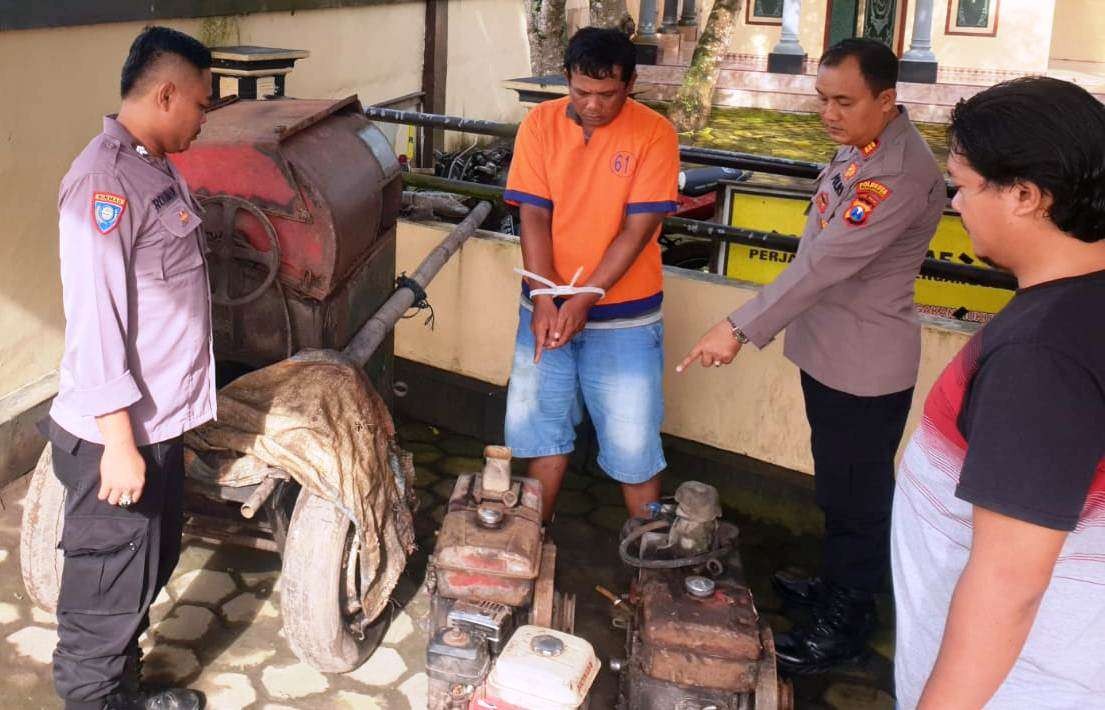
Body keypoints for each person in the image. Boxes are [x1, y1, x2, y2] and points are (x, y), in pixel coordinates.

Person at [676, 38, 945, 673]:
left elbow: (825, 264)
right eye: (822, 99)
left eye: (843, 102)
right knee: (837, 488)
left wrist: (737, 328)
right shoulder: (863, 147)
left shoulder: (900, 171)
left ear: (887, 99)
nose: (828, 114)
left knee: (857, 500)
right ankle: (833, 589)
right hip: (831, 352)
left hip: (864, 364)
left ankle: (847, 625)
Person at [892, 77, 1105, 709]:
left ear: (1025, 196)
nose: (955, 204)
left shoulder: (1042, 356)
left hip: (1010, 685)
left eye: (962, 184)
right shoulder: (1078, 307)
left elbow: (1010, 583)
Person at [43, 26, 215, 710]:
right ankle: (96, 697)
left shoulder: (151, 162)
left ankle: (126, 693)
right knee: (103, 597)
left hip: (158, 425)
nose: (204, 117)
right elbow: (95, 323)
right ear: (167, 92)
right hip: (116, 439)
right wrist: (118, 444)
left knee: (143, 574)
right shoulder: (102, 182)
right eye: (200, 103)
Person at [503, 26, 680, 522]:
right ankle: (531, 541)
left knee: (634, 446)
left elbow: (638, 229)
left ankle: (647, 569)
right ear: (567, 79)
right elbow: (533, 214)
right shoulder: (539, 124)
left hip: (625, 319)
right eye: (581, 92)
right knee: (543, 433)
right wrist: (543, 296)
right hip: (544, 306)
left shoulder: (654, 133)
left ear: (630, 84)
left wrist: (583, 298)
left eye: (607, 94)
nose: (594, 104)